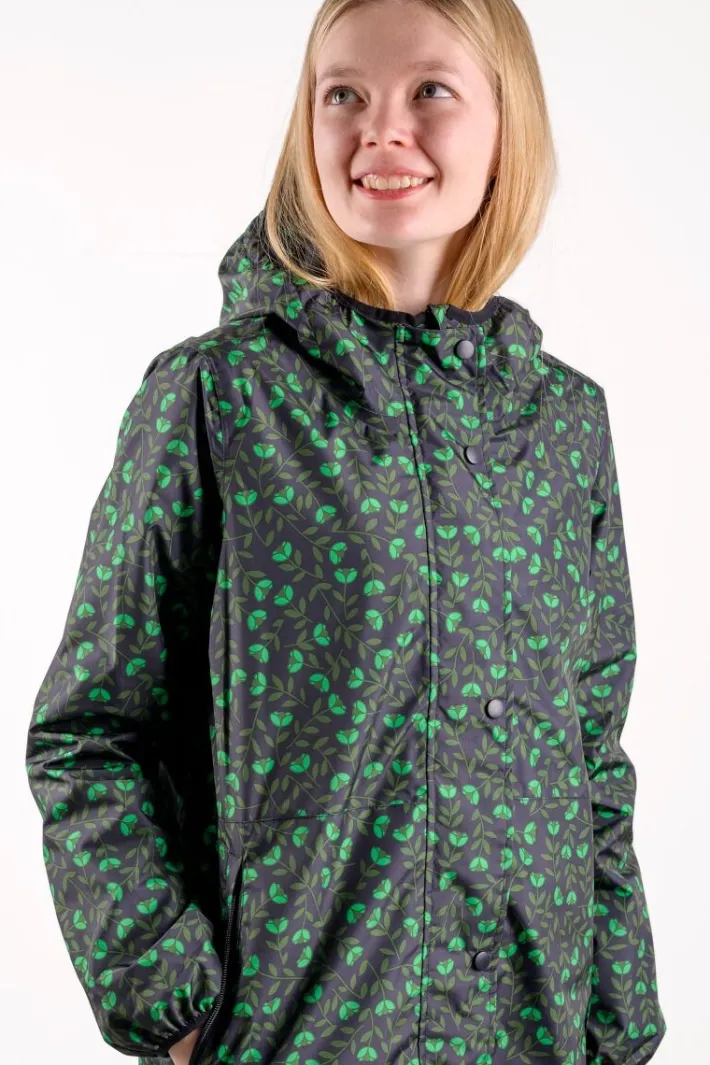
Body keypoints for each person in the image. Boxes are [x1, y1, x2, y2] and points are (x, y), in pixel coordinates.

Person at [25, 2, 667, 1065]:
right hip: (298, 1031)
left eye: (430, 90)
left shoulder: (562, 422)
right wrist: (170, 999)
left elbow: (591, 752)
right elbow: (93, 730)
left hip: (531, 1033)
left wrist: (618, 1022)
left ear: (506, 123)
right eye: (343, 95)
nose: (380, 128)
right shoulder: (220, 397)